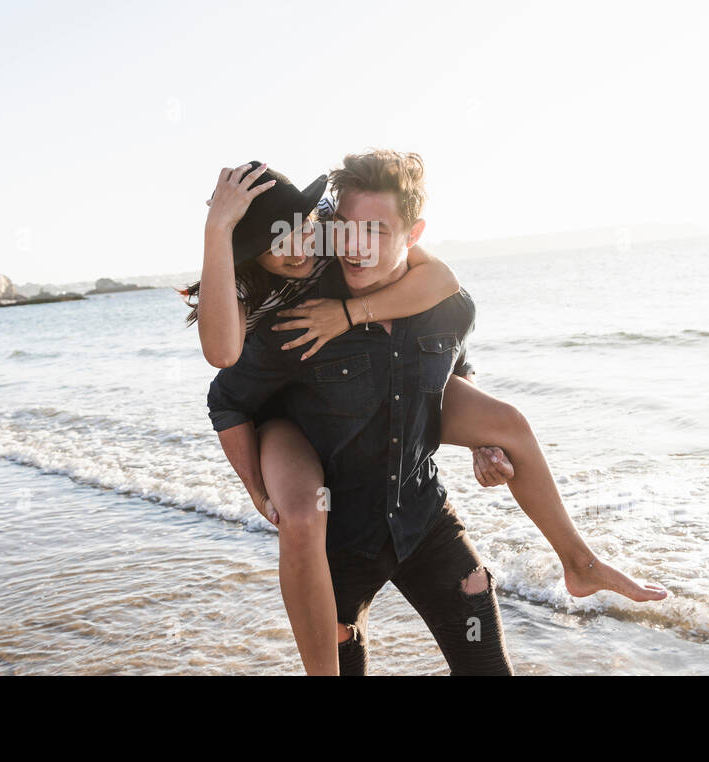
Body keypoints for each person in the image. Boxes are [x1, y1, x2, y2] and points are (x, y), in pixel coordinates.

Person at [192, 154, 668, 675]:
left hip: (421, 517)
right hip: (321, 499)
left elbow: (450, 341)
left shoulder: (414, 287)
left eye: (372, 231)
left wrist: (483, 441)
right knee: (310, 545)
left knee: (508, 423)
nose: (351, 245)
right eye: (346, 230)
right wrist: (258, 490)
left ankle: (581, 562)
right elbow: (225, 382)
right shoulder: (289, 314)